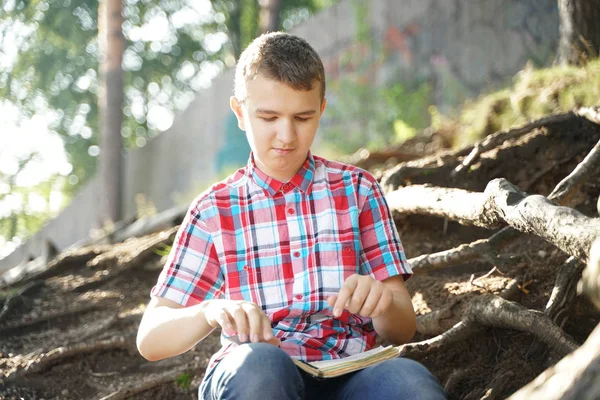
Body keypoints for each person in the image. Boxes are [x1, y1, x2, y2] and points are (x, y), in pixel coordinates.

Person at [136, 32, 446, 400]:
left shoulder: (359, 190)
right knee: (262, 369)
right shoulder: (214, 210)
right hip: (259, 376)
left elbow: (401, 329)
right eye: (268, 117)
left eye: (302, 117)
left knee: (408, 383)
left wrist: (381, 301)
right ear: (239, 112)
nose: (286, 135)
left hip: (353, 373)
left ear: (322, 109)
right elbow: (150, 338)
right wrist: (209, 310)